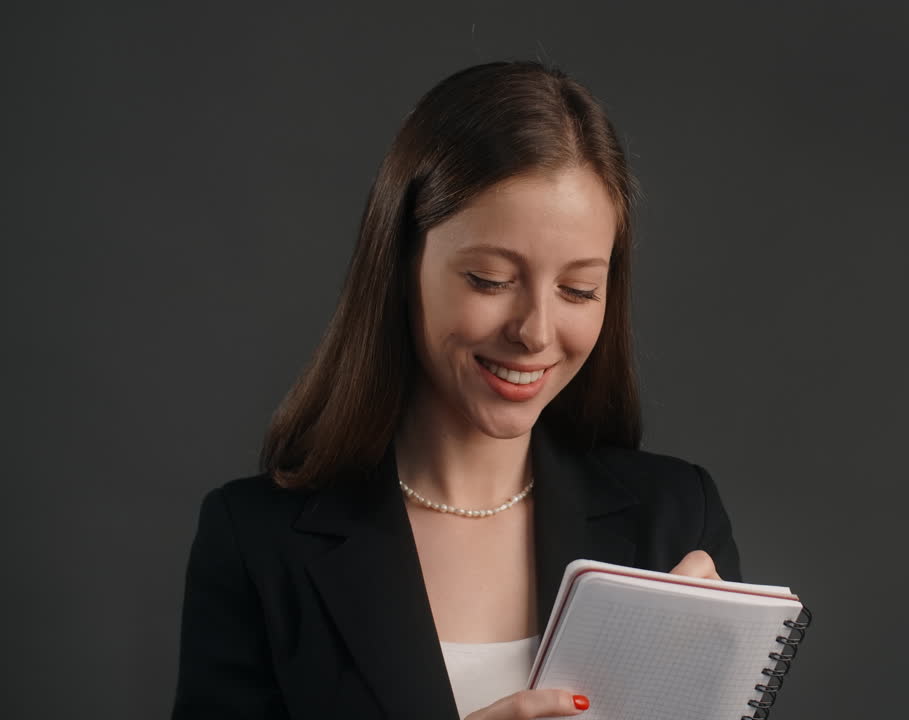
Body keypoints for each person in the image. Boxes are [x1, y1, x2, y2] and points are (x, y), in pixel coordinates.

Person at [171, 60, 743, 720]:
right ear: (402, 264)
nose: (535, 332)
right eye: (491, 279)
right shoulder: (257, 542)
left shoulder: (674, 521)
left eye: (579, 290)